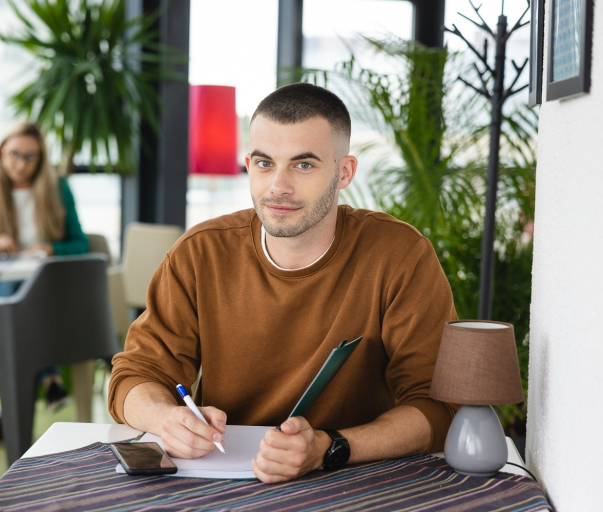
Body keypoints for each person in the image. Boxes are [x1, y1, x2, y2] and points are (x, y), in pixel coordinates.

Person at [108, 83, 459, 484]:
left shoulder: (400, 255)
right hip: (221, 479)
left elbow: (438, 405)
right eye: (264, 163)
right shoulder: (199, 253)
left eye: (303, 165)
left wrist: (331, 448)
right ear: (248, 163)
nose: (278, 186)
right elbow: (134, 375)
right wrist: (167, 418)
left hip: (353, 480)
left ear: (344, 172)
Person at [0, 121, 89, 440]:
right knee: (16, 294)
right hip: (3, 289)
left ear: (41, 159)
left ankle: (9, 414)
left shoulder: (58, 189)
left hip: (49, 290)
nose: (21, 164)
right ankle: (50, 380)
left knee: (23, 299)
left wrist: (51, 248)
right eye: (14, 154)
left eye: (31, 157)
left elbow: (81, 243)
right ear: (1, 153)